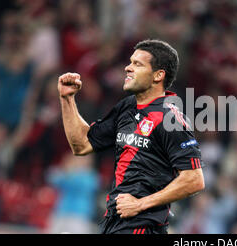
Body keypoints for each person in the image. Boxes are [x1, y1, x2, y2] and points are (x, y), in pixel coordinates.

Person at [57, 39, 205, 234]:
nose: (127, 68)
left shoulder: (170, 118)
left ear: (158, 75)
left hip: (143, 227)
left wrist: (140, 204)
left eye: (138, 64)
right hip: (115, 223)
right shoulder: (127, 107)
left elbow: (194, 179)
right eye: (130, 62)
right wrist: (67, 100)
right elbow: (82, 145)